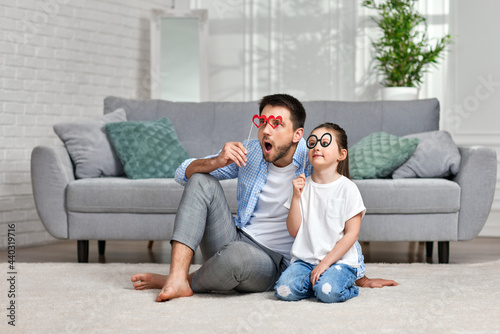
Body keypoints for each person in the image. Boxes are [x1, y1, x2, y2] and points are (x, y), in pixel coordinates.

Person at [131, 94, 398, 302]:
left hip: (272, 261)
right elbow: (182, 173)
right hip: (234, 237)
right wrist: (215, 161)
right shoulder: (251, 152)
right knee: (201, 179)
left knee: (237, 257)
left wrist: (359, 276)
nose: (266, 131)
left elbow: (340, 218)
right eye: (263, 122)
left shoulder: (314, 158)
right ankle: (177, 278)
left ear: (297, 135)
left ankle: (183, 279)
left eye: (276, 124)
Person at [275, 123, 366, 303]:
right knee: (283, 291)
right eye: (313, 142)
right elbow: (294, 231)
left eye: (325, 143)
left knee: (328, 292)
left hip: (339, 262)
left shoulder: (348, 189)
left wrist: (325, 264)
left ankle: (339, 285)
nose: (317, 146)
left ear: (342, 154)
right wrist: (295, 197)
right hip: (305, 261)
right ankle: (317, 283)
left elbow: (352, 234)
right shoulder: (302, 186)